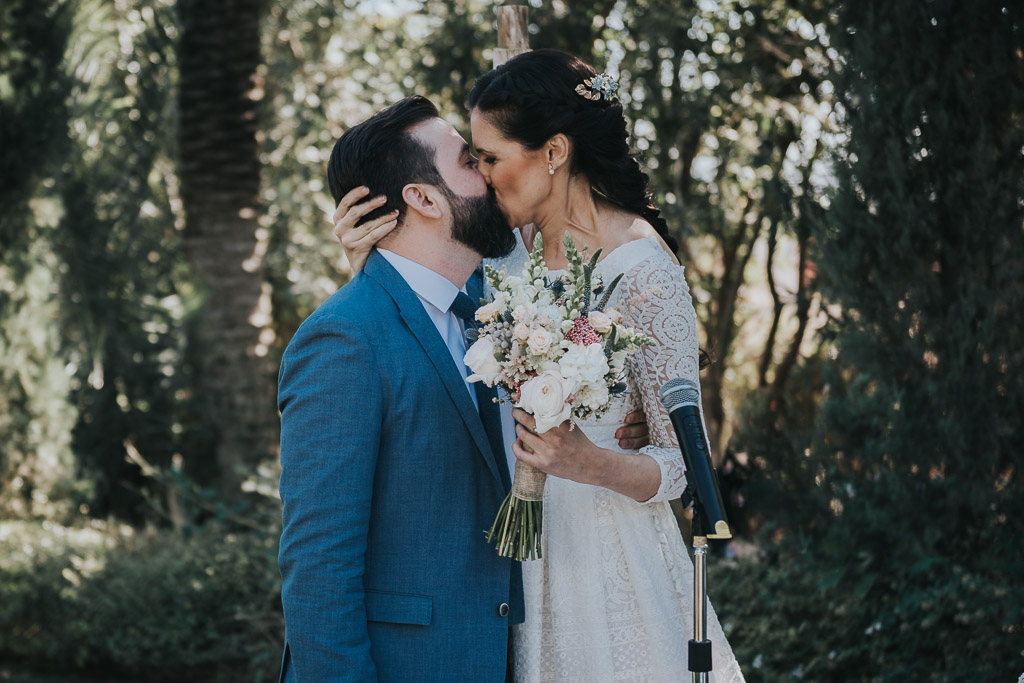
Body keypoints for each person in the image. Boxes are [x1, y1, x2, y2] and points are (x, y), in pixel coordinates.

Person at [333, 51, 746, 683]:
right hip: (511, 572)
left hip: (612, 564)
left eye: (490, 158)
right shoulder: (499, 260)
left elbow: (684, 463)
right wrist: (369, 259)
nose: (481, 176)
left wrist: (593, 461)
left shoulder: (644, 271)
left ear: (553, 152)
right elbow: (422, 317)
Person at [278, 94, 651, 682]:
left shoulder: (492, 311)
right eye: (469, 162)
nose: (490, 172)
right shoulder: (342, 340)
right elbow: (318, 572)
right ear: (423, 198)